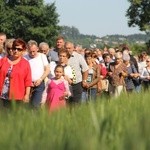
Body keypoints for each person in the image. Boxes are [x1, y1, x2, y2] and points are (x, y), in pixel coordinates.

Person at [0, 38, 32, 107]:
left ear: (23, 50)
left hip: (17, 96)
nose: (16, 51)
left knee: (14, 117)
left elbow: (28, 81)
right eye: (14, 48)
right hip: (2, 95)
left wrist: (26, 95)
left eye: (19, 49)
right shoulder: (3, 60)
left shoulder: (25, 64)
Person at [24, 40, 50, 108]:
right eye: (30, 52)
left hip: (39, 84)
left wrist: (40, 79)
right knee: (26, 105)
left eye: (34, 51)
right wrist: (28, 82)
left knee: (36, 105)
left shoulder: (42, 56)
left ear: (37, 49)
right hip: (27, 84)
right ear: (27, 50)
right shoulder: (24, 58)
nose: (32, 54)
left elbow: (47, 70)